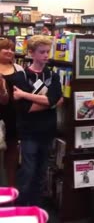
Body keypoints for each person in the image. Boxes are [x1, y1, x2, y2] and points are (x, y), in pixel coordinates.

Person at [12, 35, 63, 206]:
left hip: (48, 130)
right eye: (42, 52)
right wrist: (50, 102)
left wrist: (24, 95)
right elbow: (27, 108)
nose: (46, 56)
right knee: (28, 170)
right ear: (31, 53)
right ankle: (21, 207)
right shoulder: (21, 76)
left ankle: (35, 205)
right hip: (29, 131)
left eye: (48, 52)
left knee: (42, 171)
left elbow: (53, 99)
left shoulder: (53, 75)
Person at [0, 38, 23, 186]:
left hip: (14, 117)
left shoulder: (19, 69)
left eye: (12, 49)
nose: (9, 51)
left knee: (12, 156)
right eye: (5, 48)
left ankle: (11, 189)